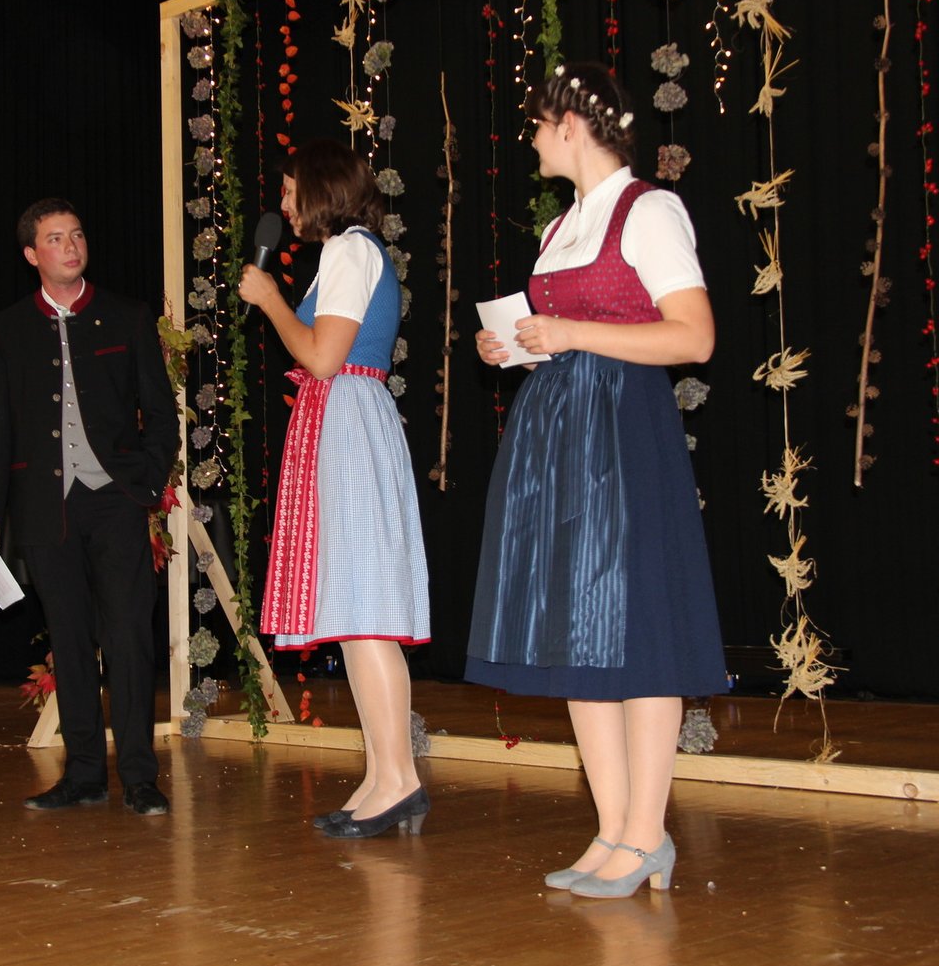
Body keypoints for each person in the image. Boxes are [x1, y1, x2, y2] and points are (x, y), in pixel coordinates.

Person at [467, 63, 729, 896]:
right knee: (575, 632)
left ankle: (647, 833)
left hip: (623, 429)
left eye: (536, 126)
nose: (531, 140)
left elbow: (693, 338)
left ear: (570, 126)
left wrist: (572, 332)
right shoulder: (562, 225)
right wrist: (517, 346)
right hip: (561, 433)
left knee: (638, 630)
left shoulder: (649, 210)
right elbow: (564, 335)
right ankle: (613, 829)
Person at [238, 141, 432, 839]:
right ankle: (383, 776)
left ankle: (399, 779)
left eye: (291, 190)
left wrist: (271, 301)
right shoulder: (345, 253)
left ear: (322, 189)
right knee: (352, 615)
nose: (284, 204)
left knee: (364, 614)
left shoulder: (350, 250)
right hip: (343, 420)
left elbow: (322, 356)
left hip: (347, 419)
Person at [0, 198, 179, 816]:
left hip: (115, 501)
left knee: (129, 638)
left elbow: (160, 413)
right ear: (32, 255)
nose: (71, 246)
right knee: (69, 639)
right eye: (56, 238)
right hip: (44, 506)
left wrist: (145, 482)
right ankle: (84, 774)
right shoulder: (6, 329)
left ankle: (139, 776)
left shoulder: (127, 317)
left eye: (77, 234)